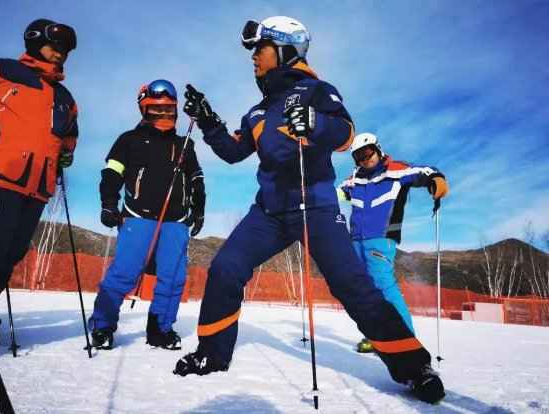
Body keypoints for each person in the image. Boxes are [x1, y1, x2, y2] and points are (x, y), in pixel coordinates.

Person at [174, 16, 445, 404]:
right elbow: (233, 152)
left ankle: (414, 366)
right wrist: (206, 120)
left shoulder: (316, 90)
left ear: (284, 50)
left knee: (353, 285)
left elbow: (345, 132)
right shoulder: (257, 112)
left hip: (315, 206)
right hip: (268, 211)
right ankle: (211, 355)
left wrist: (315, 123)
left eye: (260, 49)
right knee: (225, 268)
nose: (253, 58)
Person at [88, 79, 205, 350]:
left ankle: (160, 329)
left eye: (169, 110)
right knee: (124, 274)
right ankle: (102, 326)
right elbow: (112, 172)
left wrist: (198, 210)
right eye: (156, 110)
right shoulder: (129, 140)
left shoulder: (185, 144)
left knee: (173, 278)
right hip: (137, 216)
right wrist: (108, 203)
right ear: (144, 109)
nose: (164, 115)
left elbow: (197, 179)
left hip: (175, 221)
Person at [337, 133, 449, 353]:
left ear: (377, 149)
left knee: (384, 286)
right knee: (366, 291)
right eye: (358, 156)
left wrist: (436, 179)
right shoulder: (355, 179)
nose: (365, 159)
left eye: (367, 152)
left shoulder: (396, 171)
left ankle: (407, 339)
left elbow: (425, 171)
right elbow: (336, 194)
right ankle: (376, 336)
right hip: (356, 241)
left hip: (381, 239)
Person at [0, 19, 78, 297]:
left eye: (65, 51)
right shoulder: (6, 70)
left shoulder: (65, 97)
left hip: (38, 188)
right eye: (55, 47)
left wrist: (67, 155)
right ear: (34, 42)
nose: (60, 54)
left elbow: (69, 136)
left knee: (13, 252)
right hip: (3, 176)